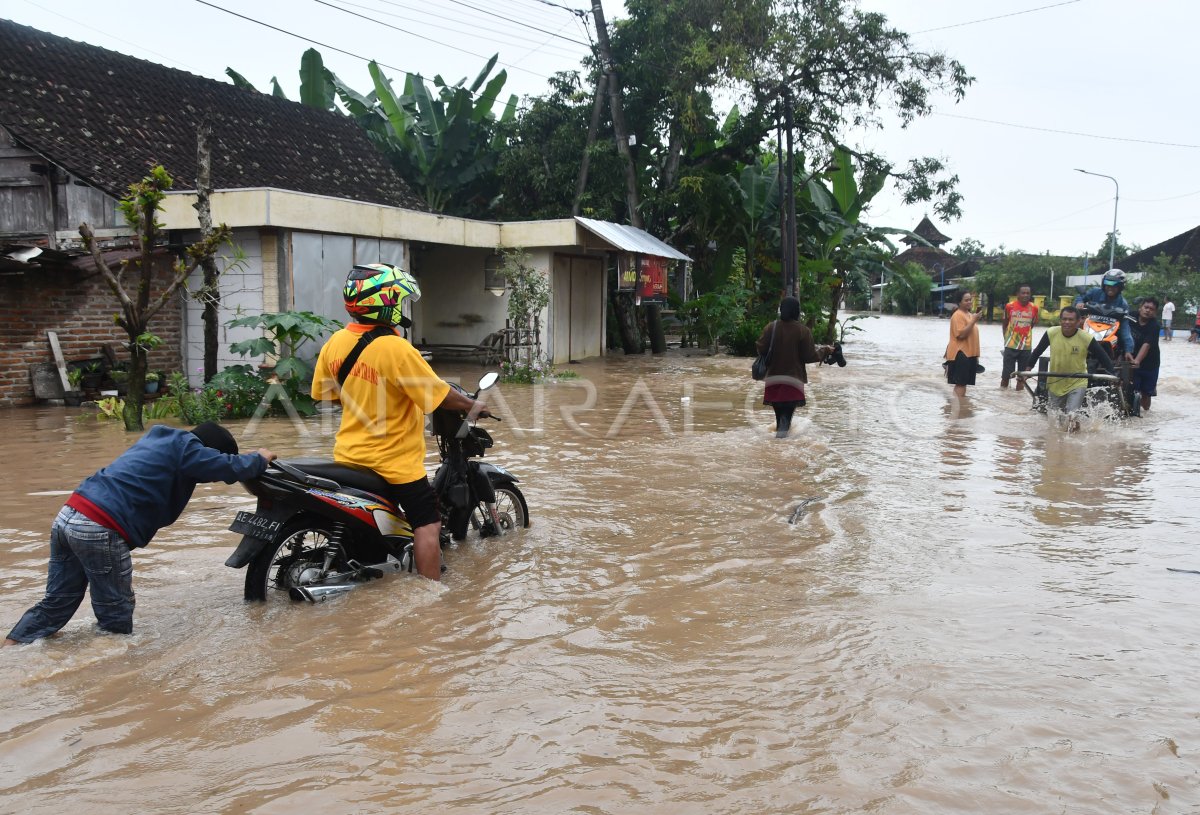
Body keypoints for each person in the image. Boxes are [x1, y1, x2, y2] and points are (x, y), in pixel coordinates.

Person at [4, 423, 276, 646]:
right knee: (115, 610)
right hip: (99, 525)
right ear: (206, 451)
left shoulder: (160, 439)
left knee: (57, 601)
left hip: (69, 514)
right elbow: (229, 467)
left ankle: (13, 649)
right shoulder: (187, 449)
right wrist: (260, 458)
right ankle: (111, 670)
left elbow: (215, 465)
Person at [311, 263, 491, 581]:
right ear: (386, 303)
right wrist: (473, 405)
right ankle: (430, 593)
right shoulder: (396, 348)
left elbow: (327, 395)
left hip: (349, 457)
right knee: (427, 521)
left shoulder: (335, 344)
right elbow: (439, 396)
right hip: (392, 463)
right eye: (398, 300)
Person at [1024, 306, 1116, 431]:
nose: (1067, 322)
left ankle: (1072, 443)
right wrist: (1027, 371)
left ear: (1078, 322)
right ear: (1060, 320)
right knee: (1056, 422)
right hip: (1055, 381)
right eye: (1064, 319)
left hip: (1077, 381)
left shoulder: (1086, 337)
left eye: (1071, 320)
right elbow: (1037, 352)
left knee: (1071, 417)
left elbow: (1104, 358)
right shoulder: (1051, 333)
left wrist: (1113, 376)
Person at [755, 296, 832, 438]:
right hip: (792, 382)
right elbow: (810, 357)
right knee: (786, 420)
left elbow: (760, 348)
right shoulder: (803, 331)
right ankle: (781, 450)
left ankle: (776, 450)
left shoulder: (771, 327)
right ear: (797, 311)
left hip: (773, 380)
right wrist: (825, 350)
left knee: (780, 419)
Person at [1073, 268, 1134, 360]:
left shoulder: (1123, 304)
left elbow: (1125, 328)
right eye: (1107, 284)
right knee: (1073, 326)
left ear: (1120, 286)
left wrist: (1129, 350)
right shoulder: (1095, 292)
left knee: (1122, 338)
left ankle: (1117, 360)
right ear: (1103, 284)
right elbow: (1082, 297)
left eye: (1114, 285)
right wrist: (1079, 302)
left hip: (1111, 330)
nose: (1110, 287)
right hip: (1091, 325)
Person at [945, 289, 983, 399]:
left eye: (970, 300)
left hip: (970, 354)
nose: (969, 302)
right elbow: (961, 335)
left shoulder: (970, 315)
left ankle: (961, 409)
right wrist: (973, 321)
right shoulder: (957, 315)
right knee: (960, 383)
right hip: (960, 354)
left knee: (964, 383)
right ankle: (957, 408)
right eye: (966, 300)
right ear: (959, 302)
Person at [1000, 284, 1040, 390]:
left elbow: (1032, 325)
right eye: (1023, 293)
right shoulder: (1010, 306)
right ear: (1018, 294)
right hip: (1010, 345)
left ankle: (1019, 396)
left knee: (1022, 378)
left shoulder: (1034, 308)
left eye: (1028, 293)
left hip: (1026, 347)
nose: (1025, 295)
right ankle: (1003, 394)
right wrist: (1006, 339)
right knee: (1006, 376)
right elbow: (1004, 324)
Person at [1129, 296, 1161, 412]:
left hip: (1150, 364)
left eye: (1151, 309)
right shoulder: (1130, 316)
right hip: (1131, 360)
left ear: (1155, 312)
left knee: (1146, 393)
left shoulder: (1154, 326)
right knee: (1131, 389)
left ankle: (1146, 415)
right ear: (1140, 307)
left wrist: (1137, 360)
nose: (1147, 310)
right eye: (1146, 307)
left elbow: (1147, 345)